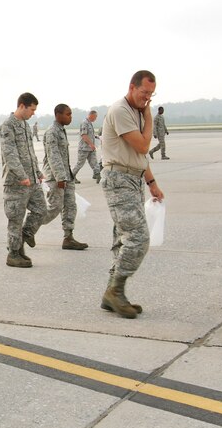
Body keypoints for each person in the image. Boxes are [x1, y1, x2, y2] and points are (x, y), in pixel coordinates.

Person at [100, 70, 165, 319]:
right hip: (118, 180)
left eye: (151, 94)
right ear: (132, 87)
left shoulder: (135, 112)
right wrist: (148, 116)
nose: (147, 98)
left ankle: (112, 293)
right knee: (138, 237)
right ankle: (115, 291)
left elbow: (140, 156)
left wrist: (151, 182)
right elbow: (143, 145)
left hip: (133, 179)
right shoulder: (120, 110)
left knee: (123, 238)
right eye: (144, 92)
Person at [0, 92, 47, 268]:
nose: (33, 113)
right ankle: (14, 254)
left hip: (32, 180)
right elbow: (10, 154)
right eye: (32, 109)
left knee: (41, 210)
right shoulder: (7, 126)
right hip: (16, 182)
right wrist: (22, 176)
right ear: (22, 106)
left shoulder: (26, 126)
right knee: (16, 219)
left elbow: (30, 152)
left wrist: (37, 171)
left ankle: (26, 235)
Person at [41, 104, 87, 250]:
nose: (70, 117)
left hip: (66, 176)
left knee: (70, 206)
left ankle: (68, 237)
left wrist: (67, 177)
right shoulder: (52, 132)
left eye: (71, 114)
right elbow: (53, 156)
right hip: (56, 177)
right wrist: (60, 178)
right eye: (68, 114)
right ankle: (27, 229)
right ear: (58, 114)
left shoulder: (61, 130)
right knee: (55, 207)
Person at [73, 110, 101, 185]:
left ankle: (98, 176)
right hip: (84, 148)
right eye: (95, 116)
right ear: (91, 115)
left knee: (94, 162)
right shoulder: (84, 123)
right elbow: (84, 135)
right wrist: (91, 144)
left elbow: (89, 135)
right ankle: (72, 176)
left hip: (90, 148)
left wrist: (95, 137)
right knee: (80, 163)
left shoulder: (89, 123)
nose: (96, 118)